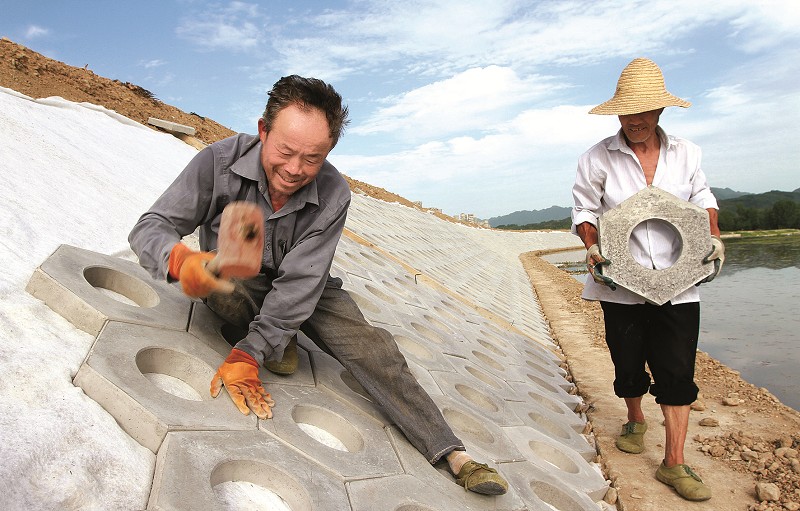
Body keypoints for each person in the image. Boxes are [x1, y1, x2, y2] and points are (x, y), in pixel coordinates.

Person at [129, 75, 507, 496]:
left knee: (372, 347)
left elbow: (301, 283)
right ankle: (278, 338)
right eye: (285, 151)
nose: (294, 170)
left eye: (312, 158)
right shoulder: (217, 162)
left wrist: (249, 354)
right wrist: (179, 261)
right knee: (229, 279)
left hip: (306, 288)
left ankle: (452, 453)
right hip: (234, 277)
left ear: (328, 151)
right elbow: (151, 226)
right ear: (262, 130)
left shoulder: (333, 193)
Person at [571, 58, 725, 502]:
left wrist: (713, 236)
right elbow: (584, 208)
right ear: (617, 112)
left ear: (661, 111)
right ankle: (635, 417)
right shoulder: (596, 157)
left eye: (644, 111)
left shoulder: (687, 152)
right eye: (627, 112)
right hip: (620, 281)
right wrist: (592, 245)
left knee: (677, 367)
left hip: (681, 280)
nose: (635, 120)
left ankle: (674, 462)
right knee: (628, 359)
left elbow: (702, 197)